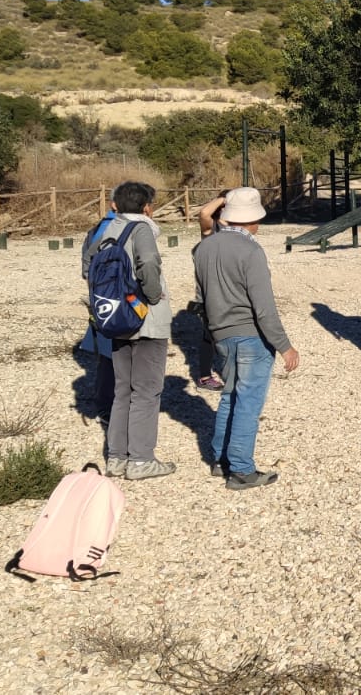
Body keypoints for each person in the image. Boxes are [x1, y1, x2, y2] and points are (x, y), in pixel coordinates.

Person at [193, 187, 300, 490]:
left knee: (230, 395)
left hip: (220, 333)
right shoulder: (251, 251)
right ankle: (240, 468)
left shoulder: (204, 248)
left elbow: (202, 296)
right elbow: (264, 308)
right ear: (252, 219)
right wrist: (285, 346)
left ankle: (220, 459)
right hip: (250, 334)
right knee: (248, 403)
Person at [98, 181, 175, 480]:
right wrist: (153, 295)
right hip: (145, 318)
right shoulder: (142, 229)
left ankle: (116, 458)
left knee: (122, 389)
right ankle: (142, 460)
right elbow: (148, 261)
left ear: (115, 204)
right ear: (147, 207)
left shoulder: (108, 229)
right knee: (146, 391)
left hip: (115, 316)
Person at [77, 207, 119, 435]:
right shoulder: (116, 229)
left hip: (99, 301)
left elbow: (86, 269)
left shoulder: (97, 228)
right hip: (114, 302)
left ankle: (106, 405)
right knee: (114, 356)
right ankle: (109, 408)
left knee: (106, 358)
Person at [190, 191, 229, 390]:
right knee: (210, 335)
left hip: (230, 292)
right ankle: (205, 376)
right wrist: (225, 198)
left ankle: (232, 371)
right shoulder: (211, 229)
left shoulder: (235, 227)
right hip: (210, 294)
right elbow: (204, 213)